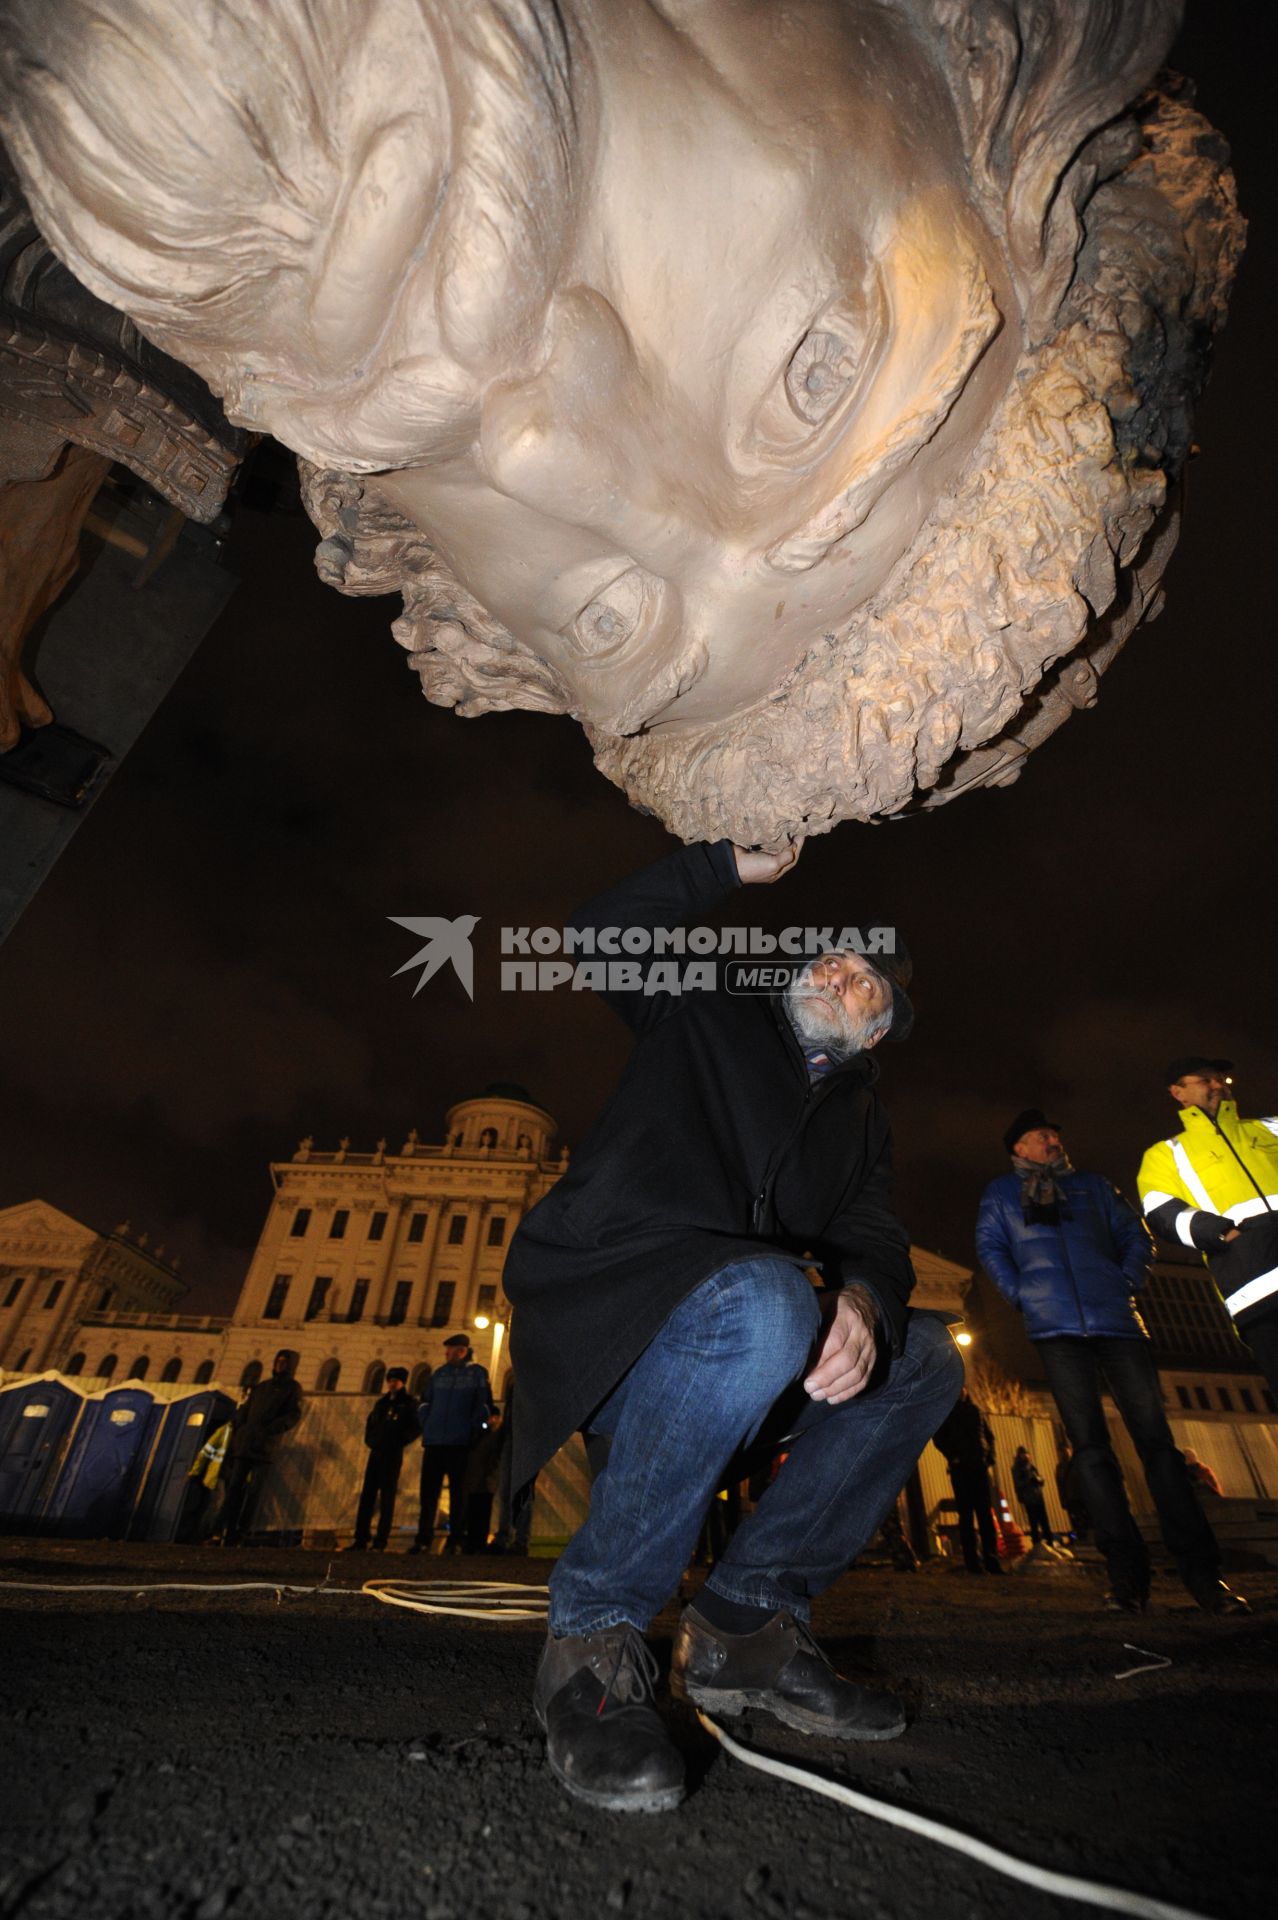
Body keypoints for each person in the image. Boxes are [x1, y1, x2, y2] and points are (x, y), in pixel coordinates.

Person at [504, 838, 963, 1814]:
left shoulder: (864, 1125)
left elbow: (876, 1237)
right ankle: (592, 1642)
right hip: (620, 1314)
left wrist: (867, 1305)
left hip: (751, 1346)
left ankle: (747, 1628)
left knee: (923, 1359)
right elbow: (599, 936)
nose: (842, 973)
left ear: (879, 1031)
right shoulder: (704, 1011)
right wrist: (727, 864)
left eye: (867, 979)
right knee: (763, 1298)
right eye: (832, 958)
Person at [976, 1111, 1245, 1615]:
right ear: (1020, 1148)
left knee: (1160, 1450)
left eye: (1056, 1133)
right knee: (1091, 1454)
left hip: (1118, 1324)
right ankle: (1126, 1579)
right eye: (1042, 1136)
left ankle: (1205, 1577)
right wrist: (1024, 1296)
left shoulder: (1094, 1186)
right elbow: (991, 1249)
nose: (1054, 1140)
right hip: (1055, 1331)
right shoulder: (1000, 1194)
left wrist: (1125, 1282)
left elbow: (1136, 1238)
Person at [1137, 1057, 1278, 1399]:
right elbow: (1160, 1211)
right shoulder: (1166, 1154)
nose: (1217, 1085)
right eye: (1203, 1080)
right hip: (1257, 1293)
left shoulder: (1269, 1128)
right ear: (1178, 1092)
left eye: (1220, 1078)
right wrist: (1222, 1234)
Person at [409, 1335, 492, 1554]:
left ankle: (455, 1539)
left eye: (450, 1351)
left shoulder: (477, 1374)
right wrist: (427, 1425)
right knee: (428, 1494)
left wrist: (473, 1431)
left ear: (461, 1351)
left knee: (458, 1494)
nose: (446, 1355)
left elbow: (483, 1405)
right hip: (435, 1441)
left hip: (459, 1443)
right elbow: (425, 1401)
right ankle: (423, 1538)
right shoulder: (439, 1374)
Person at [215, 1351, 303, 1547]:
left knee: (253, 1493)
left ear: (291, 1365)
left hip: (264, 1447)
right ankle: (225, 1530)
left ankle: (242, 1532)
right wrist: (241, 1428)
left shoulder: (292, 1388)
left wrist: (271, 1430)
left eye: (284, 1362)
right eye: (278, 1361)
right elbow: (245, 1410)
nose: (280, 1364)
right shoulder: (262, 1387)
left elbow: (292, 1415)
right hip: (246, 1444)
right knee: (234, 1489)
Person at [346, 1366, 419, 1552]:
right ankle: (361, 1538)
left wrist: (400, 1441)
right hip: (377, 1451)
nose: (392, 1383)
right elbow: (371, 1423)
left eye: (395, 1380)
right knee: (368, 1495)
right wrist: (372, 1441)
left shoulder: (408, 1404)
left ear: (402, 1382)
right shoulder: (382, 1403)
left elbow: (415, 1427)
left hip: (392, 1453)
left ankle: (381, 1539)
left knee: (387, 1497)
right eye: (390, 1380)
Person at [932, 1389, 1003, 1574]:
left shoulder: (976, 1410)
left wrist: (989, 1458)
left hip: (979, 1467)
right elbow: (938, 1438)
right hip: (961, 1469)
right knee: (967, 1515)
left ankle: (991, 1560)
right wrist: (953, 1456)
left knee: (985, 1515)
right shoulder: (947, 1412)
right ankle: (973, 1562)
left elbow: (989, 1436)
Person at [1011, 1445, 1058, 1548]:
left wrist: (1039, 1480)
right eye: (1023, 1454)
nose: (1025, 1456)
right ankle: (1036, 1543)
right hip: (1029, 1499)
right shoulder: (1017, 1469)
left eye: (1026, 1454)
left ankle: (1049, 1541)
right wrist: (1028, 1481)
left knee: (1044, 1521)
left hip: (1038, 1496)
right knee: (1033, 1522)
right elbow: (1018, 1483)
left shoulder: (1031, 1466)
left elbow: (1040, 1478)